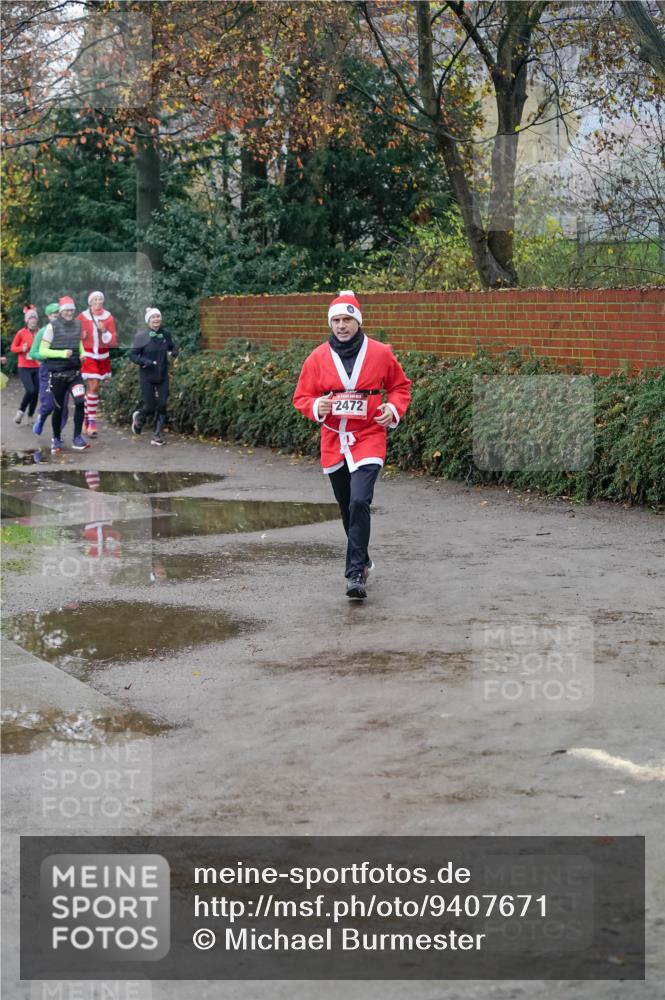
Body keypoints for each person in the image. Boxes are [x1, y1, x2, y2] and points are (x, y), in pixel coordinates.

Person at [293, 290, 411, 600]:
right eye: (336, 320)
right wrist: (316, 406)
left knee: (360, 501)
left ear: (358, 321)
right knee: (347, 507)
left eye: (347, 319)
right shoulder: (317, 357)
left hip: (370, 435)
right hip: (334, 439)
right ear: (330, 323)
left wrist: (392, 409)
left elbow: (400, 387)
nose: (342, 325)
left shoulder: (380, 353)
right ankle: (364, 557)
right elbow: (301, 397)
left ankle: (355, 573)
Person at [39, 296, 90, 453]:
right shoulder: (51, 327)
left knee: (81, 402)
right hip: (58, 375)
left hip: (74, 374)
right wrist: (62, 353)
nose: (70, 313)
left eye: (72, 310)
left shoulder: (77, 324)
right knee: (59, 408)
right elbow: (42, 351)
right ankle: (56, 438)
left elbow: (78, 342)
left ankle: (77, 438)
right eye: (67, 310)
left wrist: (82, 353)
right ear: (61, 312)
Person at [129, 308, 178, 447]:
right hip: (147, 375)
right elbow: (132, 355)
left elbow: (171, 347)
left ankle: (157, 435)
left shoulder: (166, 334)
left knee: (162, 405)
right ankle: (139, 417)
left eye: (158, 317)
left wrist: (174, 352)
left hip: (162, 375)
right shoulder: (142, 336)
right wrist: (145, 362)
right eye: (153, 317)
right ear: (148, 321)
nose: (156, 319)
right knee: (150, 406)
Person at [78, 290, 118, 437]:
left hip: (102, 355)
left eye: (100, 299)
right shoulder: (82, 317)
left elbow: (113, 341)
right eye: (94, 300)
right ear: (90, 302)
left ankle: (85, 418)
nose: (97, 302)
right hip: (87, 354)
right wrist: (80, 336)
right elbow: (74, 334)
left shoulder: (108, 317)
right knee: (93, 385)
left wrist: (104, 331)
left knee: (93, 389)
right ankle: (93, 423)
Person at [30, 302, 70, 436]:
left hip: (64, 371)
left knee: (63, 406)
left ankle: (57, 435)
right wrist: (47, 356)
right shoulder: (42, 332)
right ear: (48, 316)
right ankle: (41, 418)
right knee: (49, 404)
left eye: (60, 314)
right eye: (54, 315)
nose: (58, 317)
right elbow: (33, 353)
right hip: (47, 370)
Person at [10, 306, 41, 424]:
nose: (33, 320)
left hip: (37, 367)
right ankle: (20, 412)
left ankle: (31, 415)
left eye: (35, 318)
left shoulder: (40, 332)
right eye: (30, 318)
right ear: (26, 320)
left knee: (36, 392)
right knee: (30, 391)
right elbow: (13, 348)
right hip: (24, 367)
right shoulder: (21, 333)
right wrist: (21, 348)